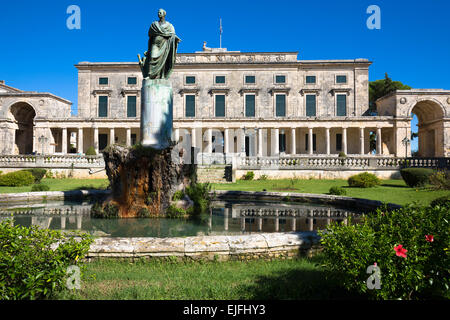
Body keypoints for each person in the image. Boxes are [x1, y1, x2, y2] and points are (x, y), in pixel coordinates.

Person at [142, 9, 181, 79]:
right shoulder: (154, 24)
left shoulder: (169, 26)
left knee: (163, 60)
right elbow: (150, 37)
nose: (159, 14)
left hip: (165, 44)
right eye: (158, 12)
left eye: (160, 12)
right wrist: (148, 49)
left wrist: (175, 38)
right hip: (155, 44)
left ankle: (161, 76)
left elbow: (172, 34)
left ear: (164, 14)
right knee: (152, 58)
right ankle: (151, 75)